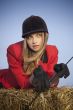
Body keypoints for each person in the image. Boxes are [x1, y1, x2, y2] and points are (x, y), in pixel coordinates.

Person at [0, 15, 70, 92]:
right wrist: (34, 77)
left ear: (45, 36)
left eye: (38, 35)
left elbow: (49, 84)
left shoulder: (52, 51)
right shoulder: (13, 51)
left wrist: (57, 75)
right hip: (7, 86)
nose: (34, 41)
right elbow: (23, 85)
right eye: (30, 37)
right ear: (25, 39)